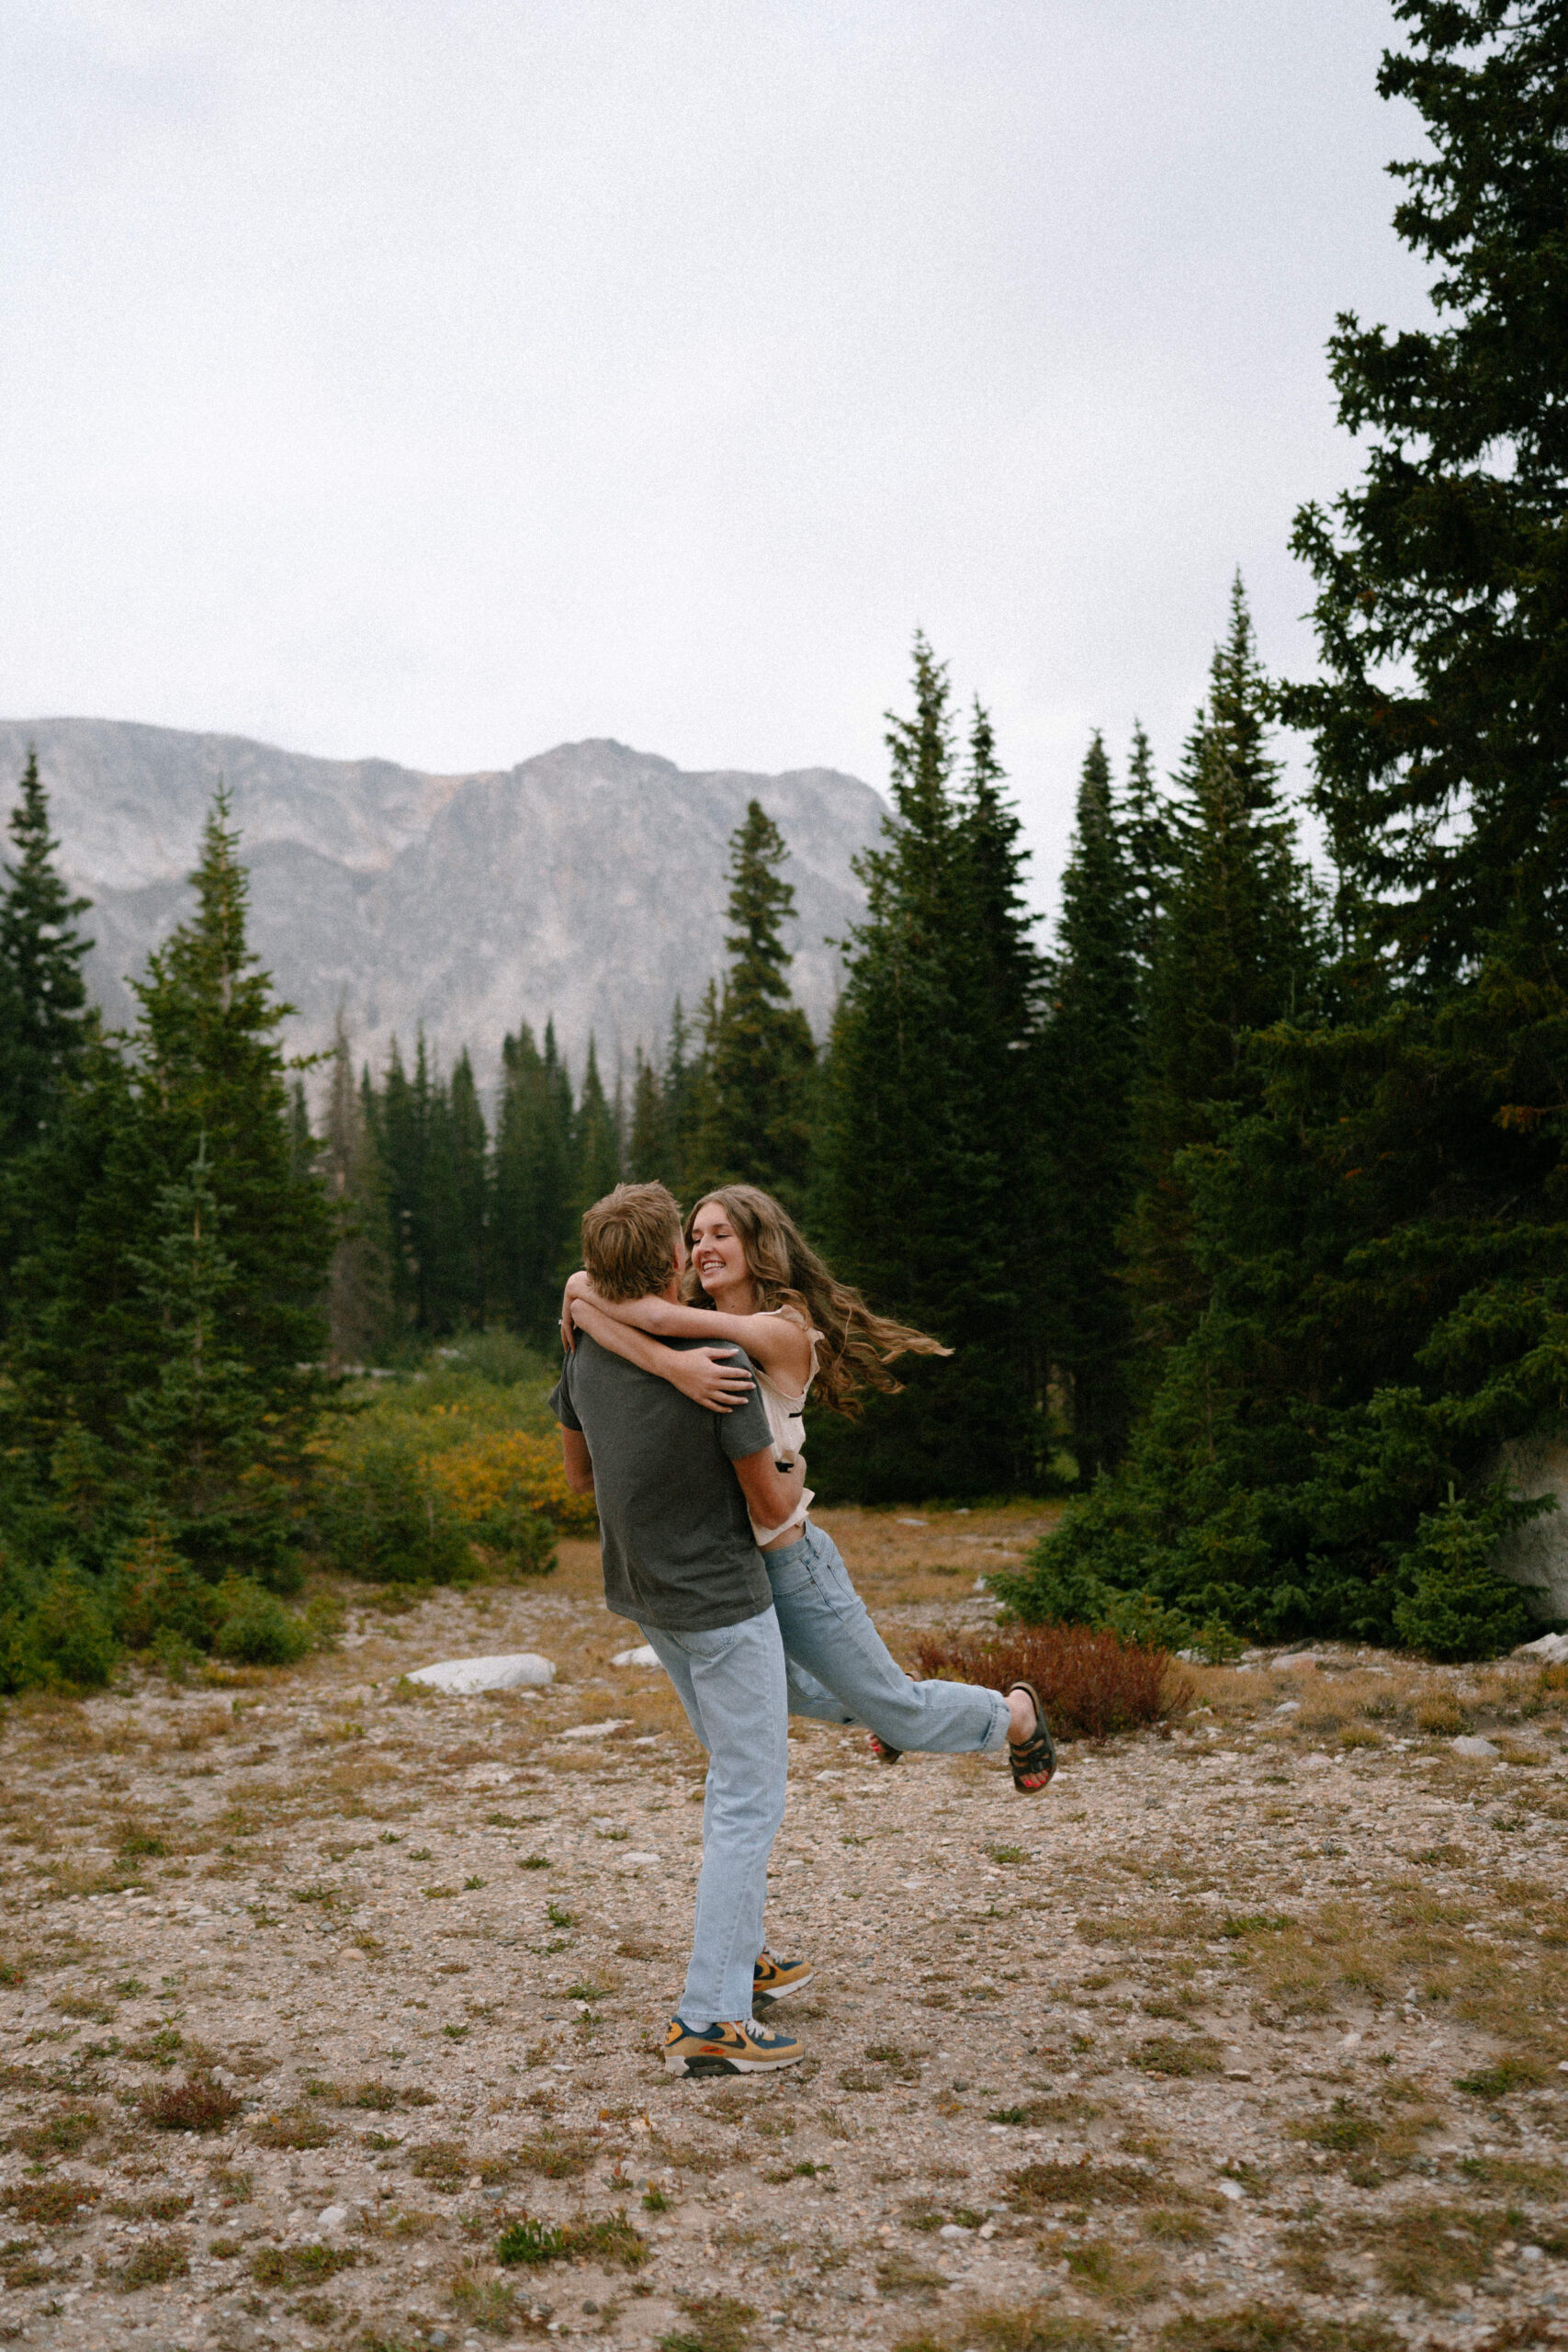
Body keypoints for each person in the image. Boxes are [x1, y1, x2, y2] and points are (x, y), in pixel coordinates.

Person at [561, 1182, 1057, 1792]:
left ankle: (1011, 1715)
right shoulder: (688, 1338)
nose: (703, 1247)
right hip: (725, 1563)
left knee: (897, 1708)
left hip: (786, 1555)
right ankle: (877, 1699)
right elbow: (600, 1304)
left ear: (758, 1244)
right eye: (693, 1237)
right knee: (787, 1690)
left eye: (721, 1234)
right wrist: (662, 1359)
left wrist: (595, 1307)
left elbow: (616, 1308)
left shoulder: (783, 1332)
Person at [549, 1181, 815, 2079]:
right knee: (749, 1797)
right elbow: (769, 1498)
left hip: (645, 1594)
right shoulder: (711, 1354)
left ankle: (742, 1956)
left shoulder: (584, 1350)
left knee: (735, 1778)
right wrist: (791, 1459)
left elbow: (580, 1476)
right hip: (724, 1602)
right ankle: (710, 2016)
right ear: (670, 1260)